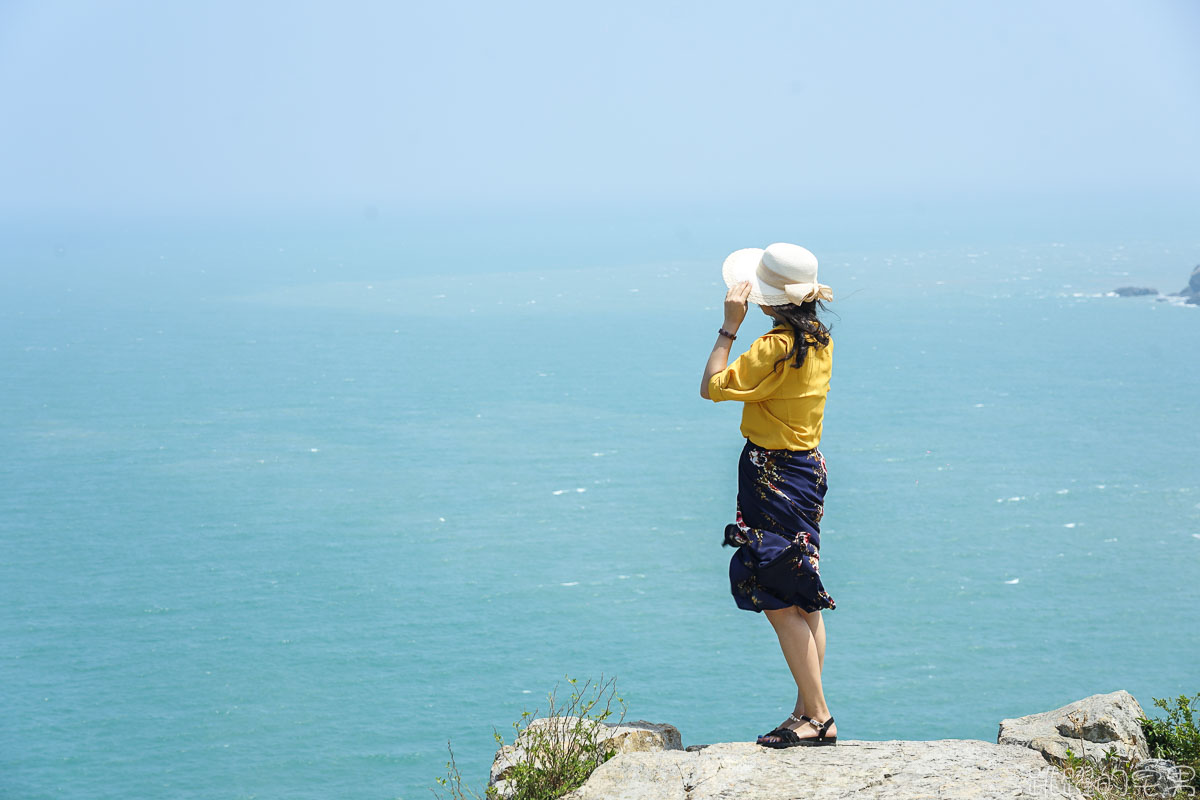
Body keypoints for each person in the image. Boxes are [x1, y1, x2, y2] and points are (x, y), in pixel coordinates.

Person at [700, 242, 838, 748]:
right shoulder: (818, 340)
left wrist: (729, 326)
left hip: (771, 477)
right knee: (803, 596)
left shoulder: (773, 348)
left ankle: (819, 717)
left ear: (766, 298)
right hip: (807, 473)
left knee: (780, 601)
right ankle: (806, 709)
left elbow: (711, 385)